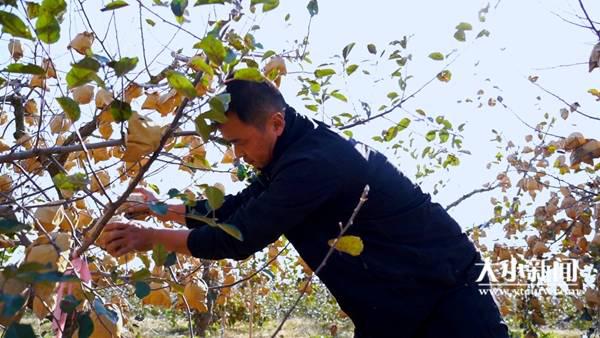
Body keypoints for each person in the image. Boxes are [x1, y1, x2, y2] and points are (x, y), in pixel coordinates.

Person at [103, 79, 510, 337]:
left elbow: (240, 238)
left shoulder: (314, 164)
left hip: (446, 292)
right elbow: (233, 210)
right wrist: (159, 209)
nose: (238, 156)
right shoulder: (292, 154)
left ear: (275, 123)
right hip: (395, 303)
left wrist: (148, 238)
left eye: (240, 142)